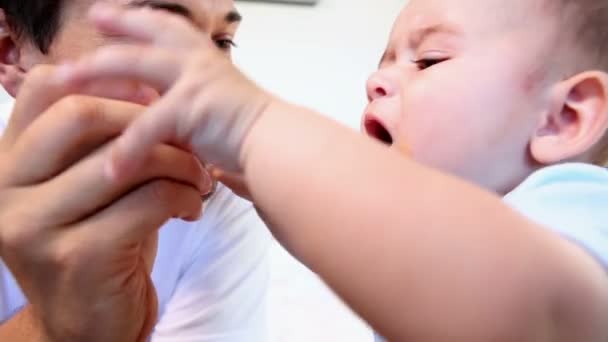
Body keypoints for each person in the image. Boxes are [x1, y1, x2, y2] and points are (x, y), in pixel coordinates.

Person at [61, 0, 608, 341]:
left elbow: (529, 310)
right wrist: (263, 182)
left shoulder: (575, 206)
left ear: (564, 118)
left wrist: (254, 124)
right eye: (382, 61)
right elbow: (394, 250)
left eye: (429, 59)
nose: (377, 81)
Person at [0, 1, 270, 341]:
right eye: (149, 36)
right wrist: (55, 328)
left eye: (221, 43)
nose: (214, 95)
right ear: (12, 54)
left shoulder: (219, 200)